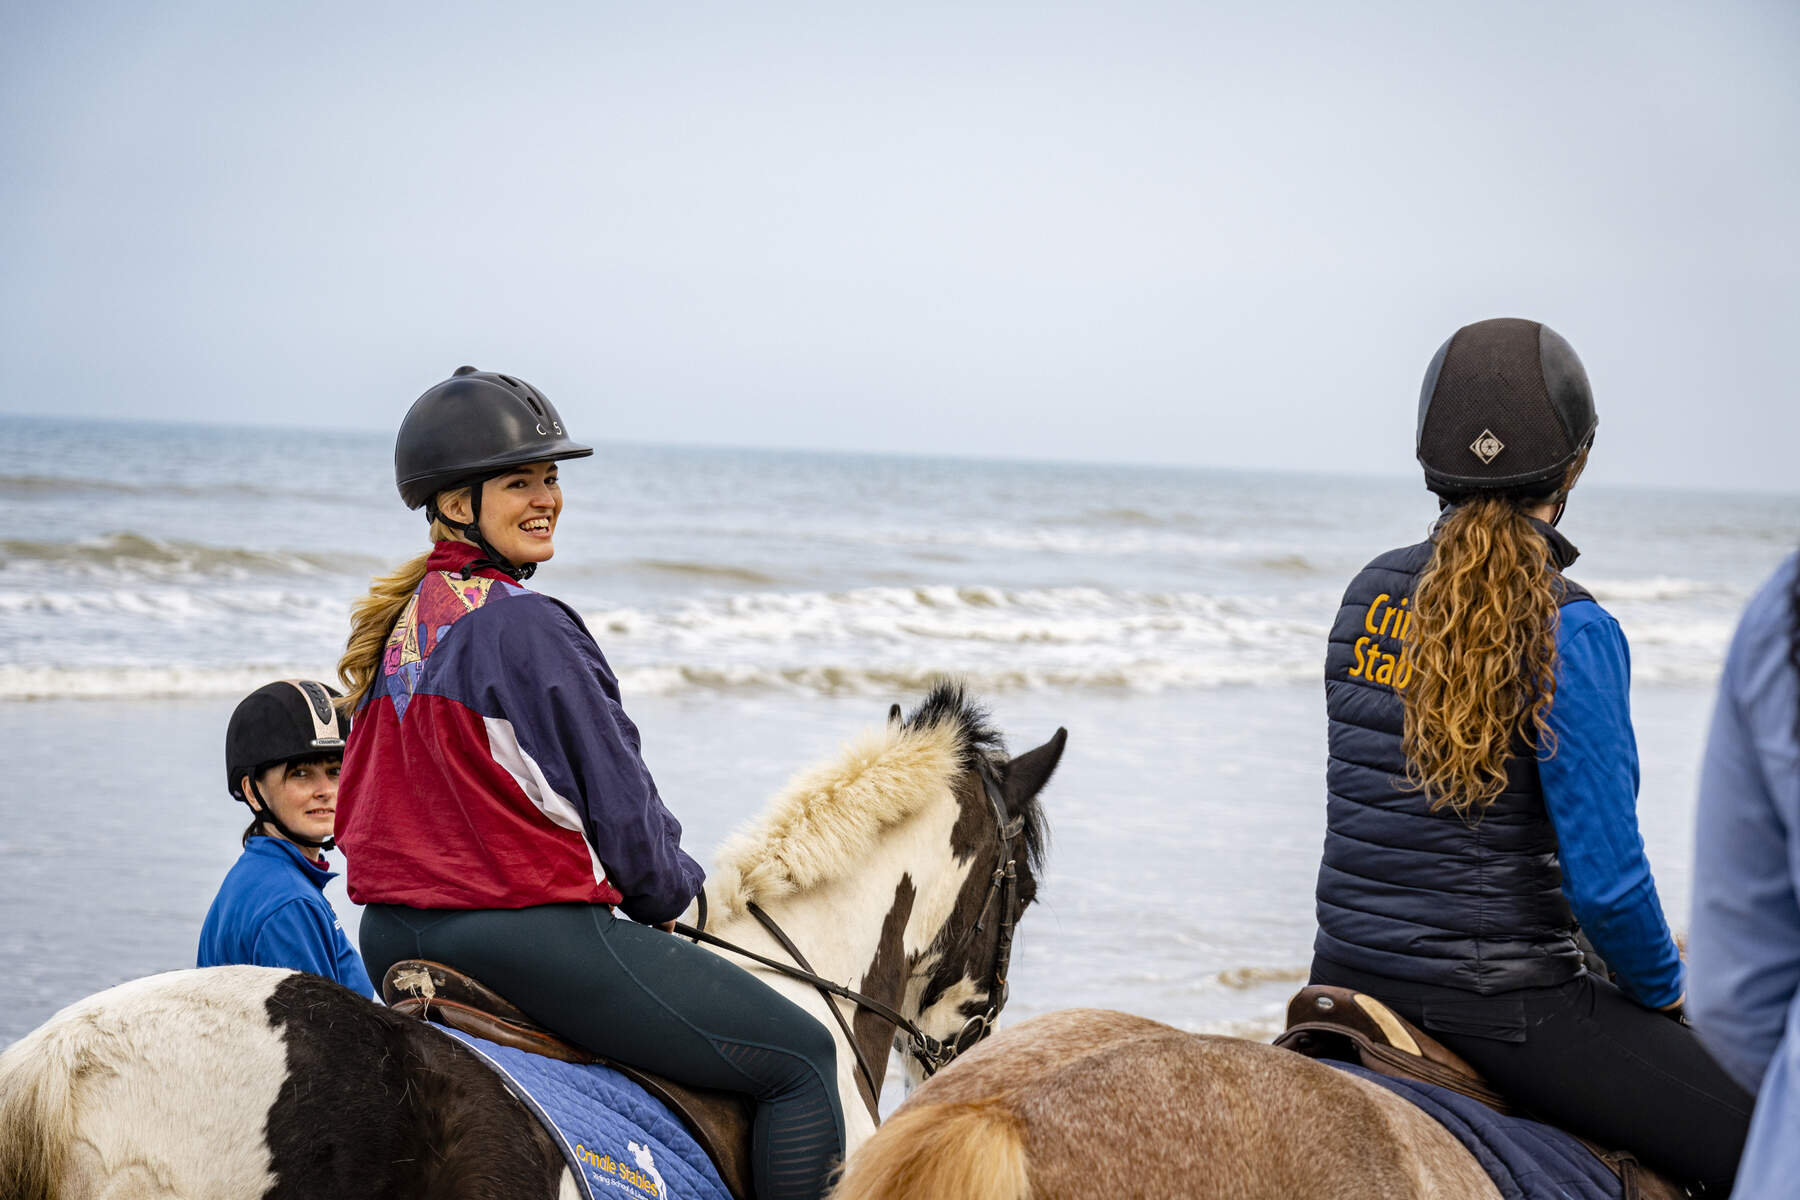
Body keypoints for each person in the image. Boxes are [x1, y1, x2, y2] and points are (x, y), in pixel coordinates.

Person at [333, 367, 844, 1200]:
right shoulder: (526, 623)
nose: (546, 498)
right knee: (799, 1060)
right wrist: (667, 897)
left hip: (389, 934)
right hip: (519, 936)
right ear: (456, 504)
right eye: (518, 482)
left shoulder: (400, 626)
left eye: (551, 477)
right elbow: (624, 814)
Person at [1307, 318, 1751, 1189]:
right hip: (1505, 1007)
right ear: (1573, 465)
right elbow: (1609, 889)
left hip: (1349, 971)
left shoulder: (1368, 593)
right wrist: (1668, 992)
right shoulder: (1571, 627)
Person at [1689, 551, 1800, 1196]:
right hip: (1518, 997)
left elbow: (1738, 998)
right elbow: (1606, 888)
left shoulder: (1785, 608)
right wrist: (1656, 983)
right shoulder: (1579, 627)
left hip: (1357, 958)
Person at [198, 679, 375, 997]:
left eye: (335, 771)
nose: (325, 791)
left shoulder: (261, 875)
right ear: (253, 792)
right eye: (301, 773)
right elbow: (319, 1043)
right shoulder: (289, 904)